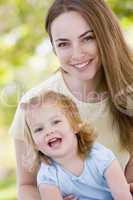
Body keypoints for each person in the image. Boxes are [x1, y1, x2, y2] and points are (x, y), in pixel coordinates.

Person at [9, 0, 133, 199]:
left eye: (88, 38)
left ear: (106, 36)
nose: (77, 54)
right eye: (63, 44)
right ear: (54, 49)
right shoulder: (33, 106)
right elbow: (26, 186)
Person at [22, 90, 132, 200]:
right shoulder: (47, 175)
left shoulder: (100, 156)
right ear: (34, 143)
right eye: (39, 129)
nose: (49, 131)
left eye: (56, 122)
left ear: (75, 126)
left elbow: (123, 196)